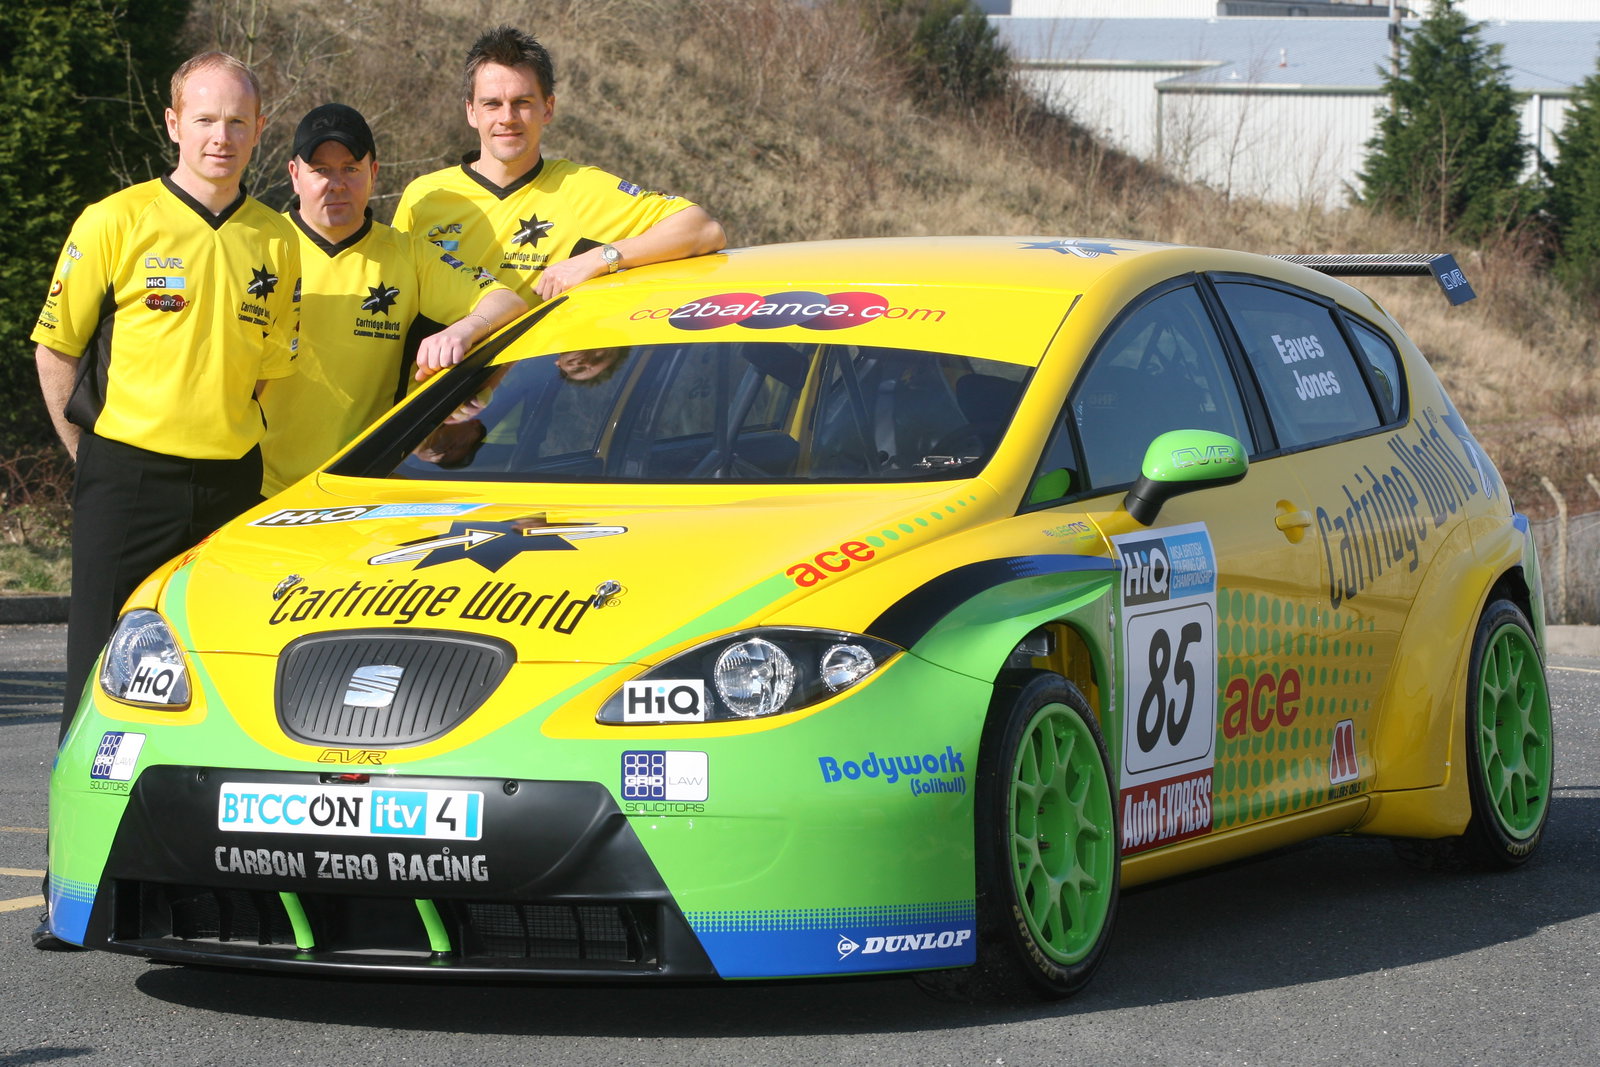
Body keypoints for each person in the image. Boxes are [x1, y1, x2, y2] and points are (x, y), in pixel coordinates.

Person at [29, 51, 300, 950]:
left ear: (259, 131)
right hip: (126, 478)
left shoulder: (276, 239)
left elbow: (269, 374)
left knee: (217, 680)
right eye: (206, 119)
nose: (221, 137)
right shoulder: (117, 219)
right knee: (98, 681)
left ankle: (211, 887)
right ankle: (73, 893)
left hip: (227, 486)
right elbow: (56, 349)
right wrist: (93, 458)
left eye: (238, 122)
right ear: (174, 123)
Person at [258, 103, 527, 496]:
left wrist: (464, 330)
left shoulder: (410, 254)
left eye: (350, 168)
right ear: (295, 175)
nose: (337, 183)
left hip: (358, 486)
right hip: (254, 484)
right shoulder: (258, 244)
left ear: (373, 173)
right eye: (321, 170)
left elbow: (507, 302)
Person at [392, 25, 725, 305]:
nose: (507, 118)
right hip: (430, 384)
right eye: (492, 104)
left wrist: (600, 259)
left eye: (522, 103)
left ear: (547, 108)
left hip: (522, 385)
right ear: (471, 111)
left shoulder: (580, 187)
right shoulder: (425, 196)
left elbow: (702, 228)